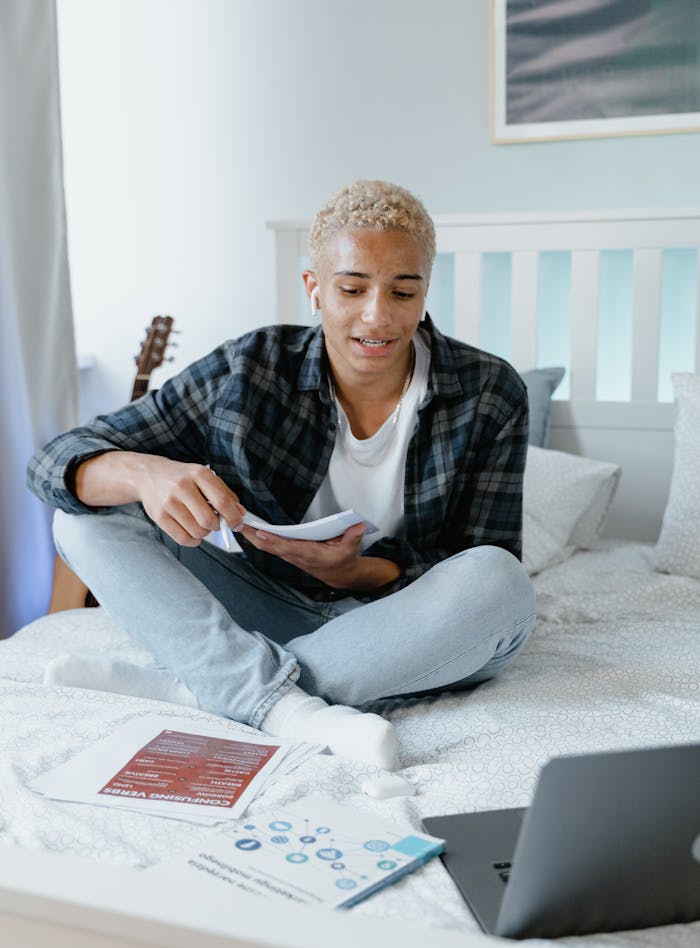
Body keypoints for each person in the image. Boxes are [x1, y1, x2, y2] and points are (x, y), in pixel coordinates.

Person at [27, 179, 536, 771]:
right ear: (314, 288)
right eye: (352, 288)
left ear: (425, 290)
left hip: (397, 624)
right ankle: (273, 701)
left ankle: (206, 688)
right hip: (265, 599)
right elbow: (54, 460)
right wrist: (143, 472)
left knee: (501, 583)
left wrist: (363, 569)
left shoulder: (490, 392)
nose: (378, 316)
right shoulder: (251, 368)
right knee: (84, 519)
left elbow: (482, 557)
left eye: (403, 290)